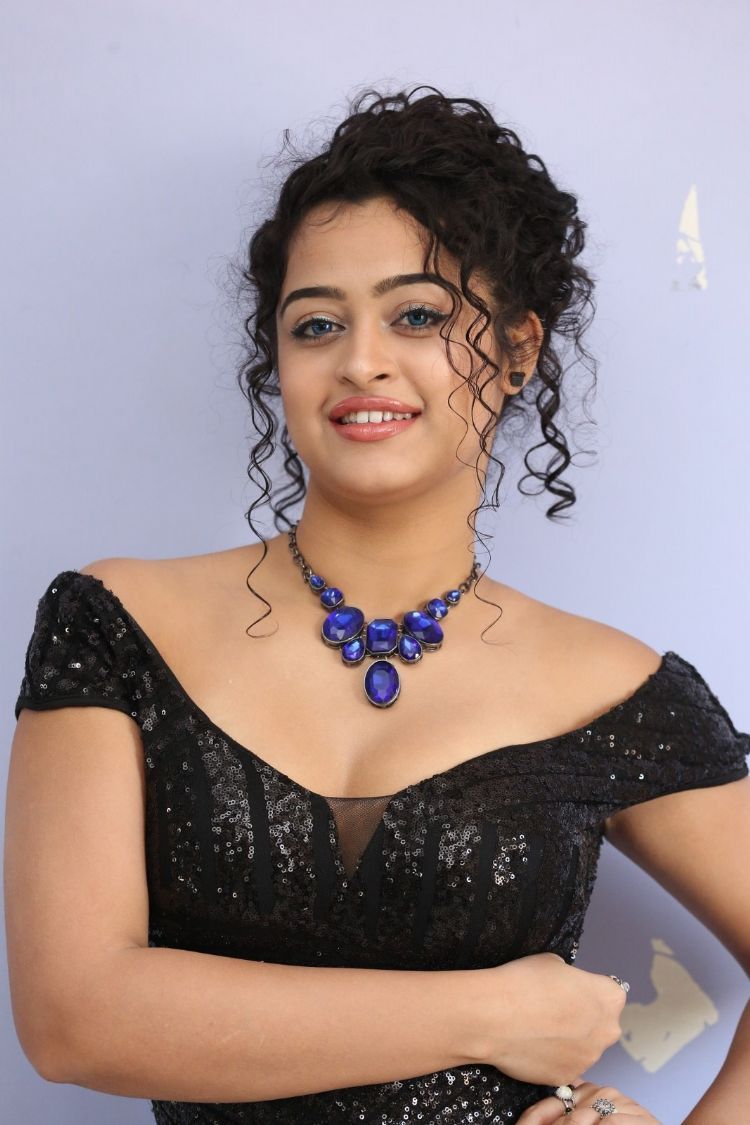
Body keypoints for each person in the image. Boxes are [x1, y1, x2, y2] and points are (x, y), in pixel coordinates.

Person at [5, 84, 749, 1125]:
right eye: (317, 324)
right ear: (279, 361)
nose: (360, 360)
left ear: (519, 349)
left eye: (419, 315)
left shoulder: (616, 688)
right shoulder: (116, 624)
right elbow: (74, 1020)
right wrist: (494, 1015)